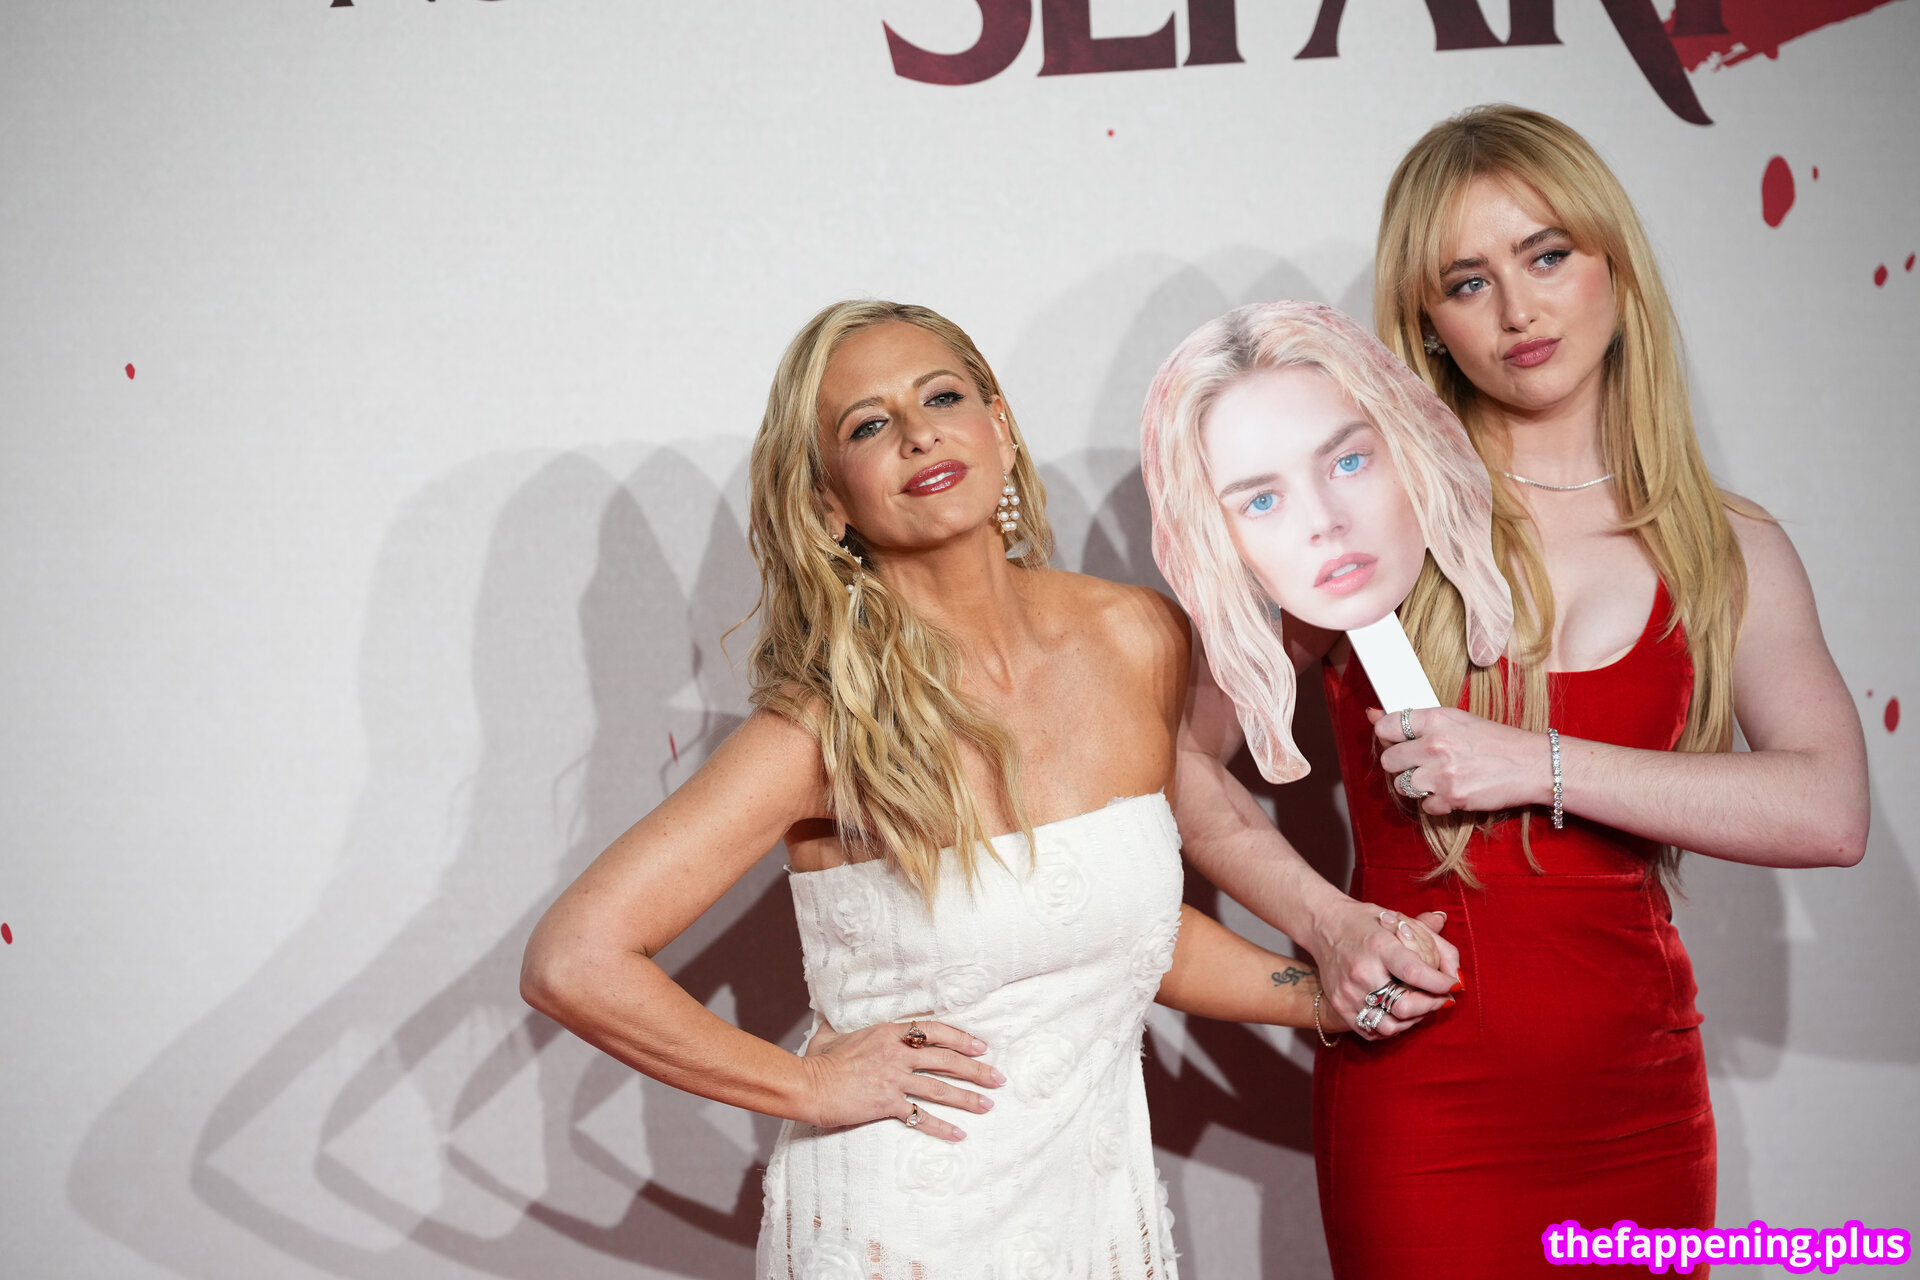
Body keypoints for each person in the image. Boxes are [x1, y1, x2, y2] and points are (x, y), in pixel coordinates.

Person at [519, 299, 1431, 1279]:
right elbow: (574, 959)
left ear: (999, 425)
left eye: (943, 397)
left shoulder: (1137, 636)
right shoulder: (828, 723)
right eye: (868, 424)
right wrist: (805, 1086)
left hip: (1093, 1213)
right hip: (898, 1230)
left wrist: (1330, 996)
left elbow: (1118, 934)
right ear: (828, 502)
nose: (919, 433)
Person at [1184, 105, 1868, 1278]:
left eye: (1547, 255)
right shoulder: (1361, 518)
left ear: (1615, 265)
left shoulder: (1724, 545)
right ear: (1430, 322)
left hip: (1642, 1101)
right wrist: (1324, 927)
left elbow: (1829, 809)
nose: (1517, 309)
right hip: (1424, 1104)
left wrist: (1538, 761)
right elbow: (1172, 755)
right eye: (1468, 281)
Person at [1142, 299, 1513, 787]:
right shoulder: (1305, 621)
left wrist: (1540, 769)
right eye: (1261, 501)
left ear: (1409, 444)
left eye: (1348, 463)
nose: (1323, 521)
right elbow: (1181, 766)